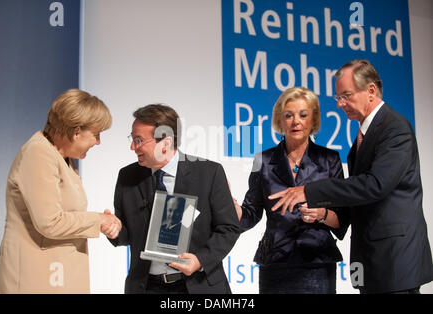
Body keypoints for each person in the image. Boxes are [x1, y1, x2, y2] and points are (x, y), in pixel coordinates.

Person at [269, 59, 433, 294]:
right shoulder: (364, 135)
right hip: (372, 262)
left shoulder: (395, 128)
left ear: (371, 91)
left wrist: (309, 191)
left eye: (345, 96)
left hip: (395, 262)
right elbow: (357, 201)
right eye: (338, 98)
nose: (340, 104)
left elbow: (375, 185)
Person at [0, 89, 122, 294]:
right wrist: (98, 221)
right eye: (96, 134)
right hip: (36, 278)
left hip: (57, 274)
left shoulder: (62, 157)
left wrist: (101, 220)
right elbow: (50, 221)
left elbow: (67, 214)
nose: (98, 142)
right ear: (77, 131)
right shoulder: (38, 153)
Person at [108, 104, 240, 294]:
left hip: (199, 285)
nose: (132, 147)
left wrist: (200, 260)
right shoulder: (127, 176)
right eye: (132, 139)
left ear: (166, 143)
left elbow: (229, 228)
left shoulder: (209, 173)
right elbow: (125, 234)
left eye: (139, 140)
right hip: (146, 287)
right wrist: (113, 230)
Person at [233, 87, 347, 294]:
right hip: (275, 263)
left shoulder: (329, 160)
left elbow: (342, 219)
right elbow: (251, 213)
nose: (296, 121)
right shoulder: (263, 160)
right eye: (289, 115)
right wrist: (235, 212)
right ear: (280, 120)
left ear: (313, 120)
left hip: (317, 263)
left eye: (303, 115)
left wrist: (321, 215)